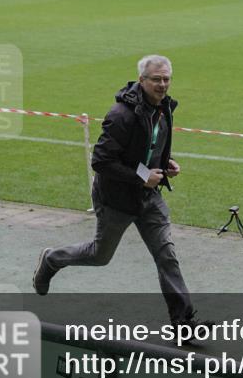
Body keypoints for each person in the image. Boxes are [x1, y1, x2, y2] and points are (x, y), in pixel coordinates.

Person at [32, 55, 204, 331]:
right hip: (116, 200)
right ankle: (52, 259)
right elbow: (100, 161)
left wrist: (164, 163)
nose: (163, 85)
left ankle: (183, 323)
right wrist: (143, 176)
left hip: (148, 197)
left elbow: (150, 143)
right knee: (100, 255)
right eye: (156, 79)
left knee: (166, 256)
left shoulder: (164, 107)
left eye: (167, 79)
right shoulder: (120, 115)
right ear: (142, 80)